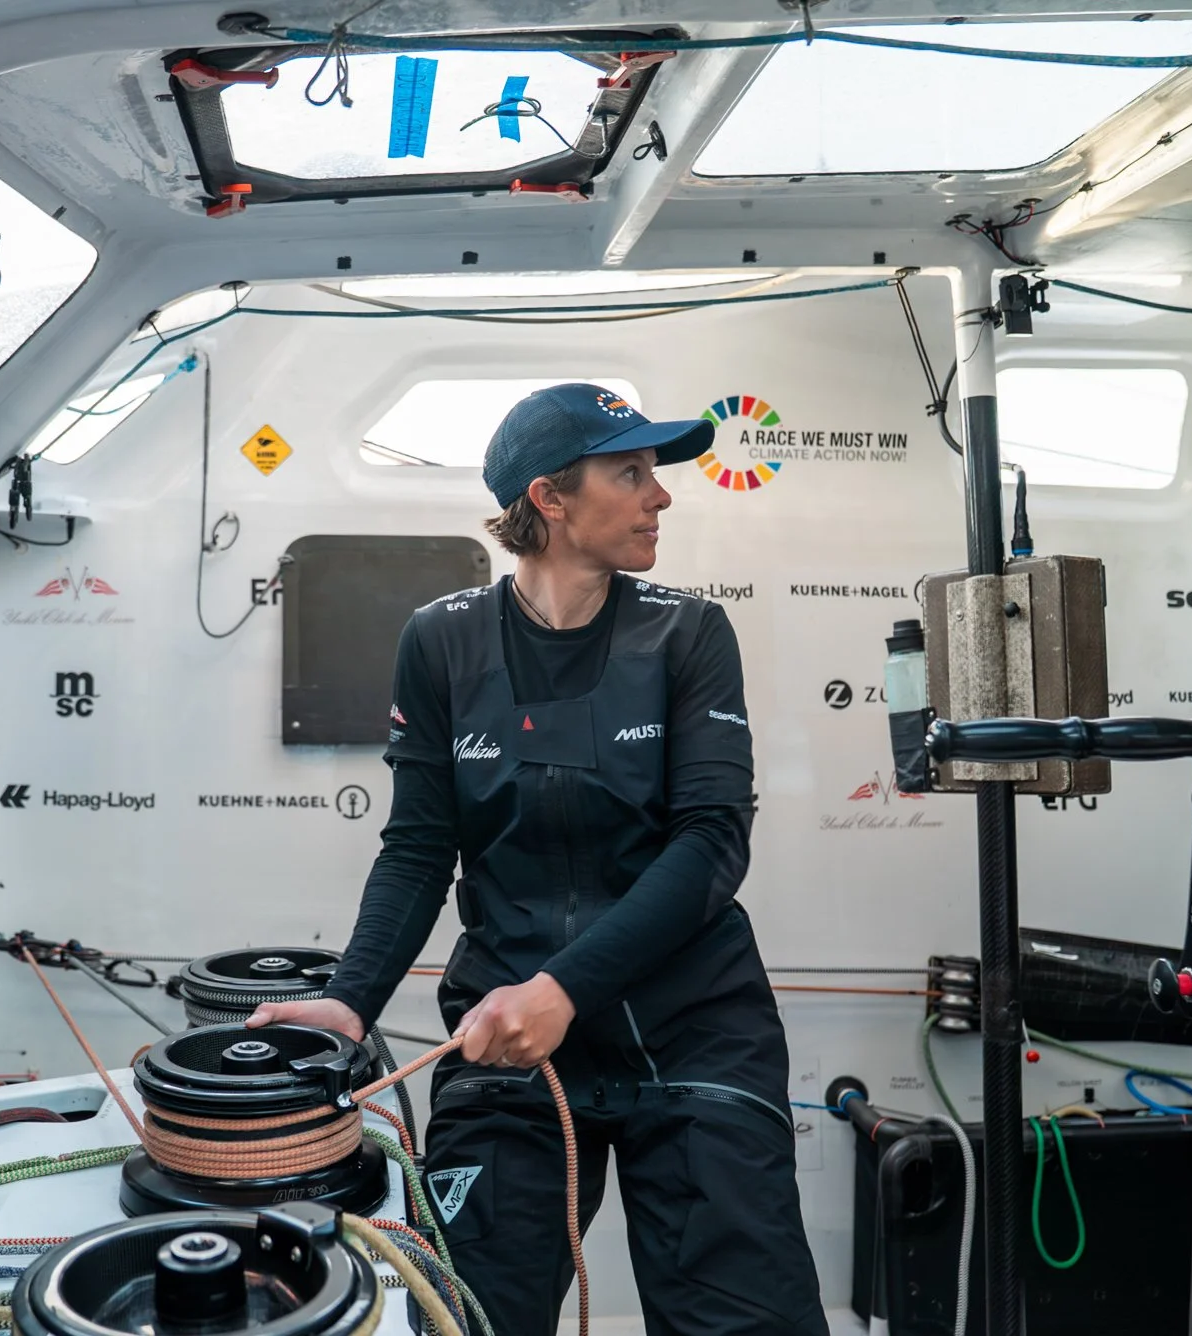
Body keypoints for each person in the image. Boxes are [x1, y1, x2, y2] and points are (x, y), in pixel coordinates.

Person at [248, 384, 826, 1336]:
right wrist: (351, 999)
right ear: (550, 499)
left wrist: (562, 988)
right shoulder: (441, 640)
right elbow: (420, 845)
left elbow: (712, 844)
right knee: (469, 1314)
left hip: (688, 1032)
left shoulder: (688, 632)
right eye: (630, 473)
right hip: (507, 1034)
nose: (661, 496)